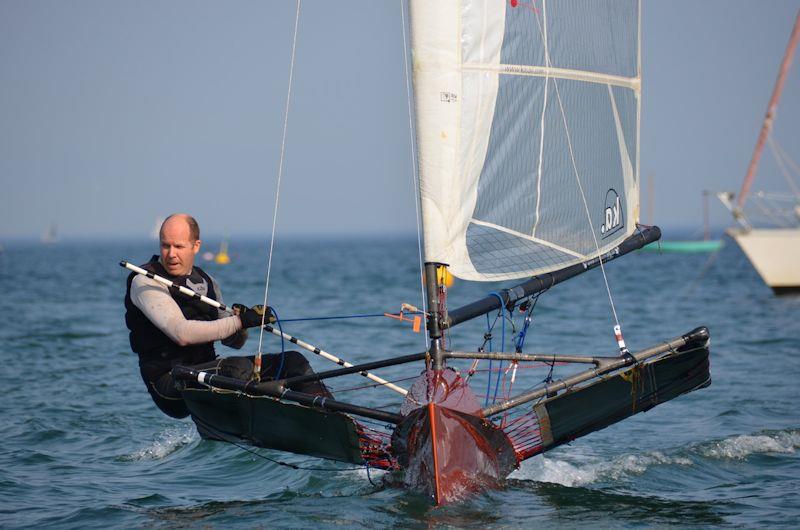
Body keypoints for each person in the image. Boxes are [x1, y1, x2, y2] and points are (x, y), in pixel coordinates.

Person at [124, 213, 330, 418]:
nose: (170, 254)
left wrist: (243, 324)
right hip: (169, 383)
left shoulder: (208, 282)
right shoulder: (145, 281)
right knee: (238, 369)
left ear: (196, 246)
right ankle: (262, 424)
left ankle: (331, 419)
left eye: (178, 246)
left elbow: (234, 342)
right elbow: (181, 333)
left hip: (208, 372)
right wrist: (237, 321)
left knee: (293, 361)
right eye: (165, 245)